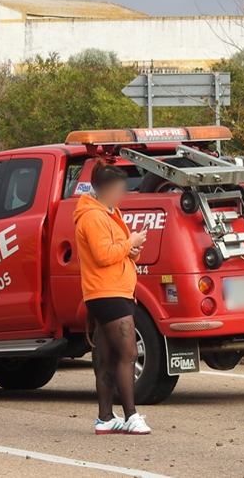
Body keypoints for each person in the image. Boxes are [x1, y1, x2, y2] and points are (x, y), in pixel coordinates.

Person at [74, 160, 151, 435]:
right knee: (128, 354)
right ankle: (131, 415)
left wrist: (132, 247)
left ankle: (105, 417)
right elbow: (104, 254)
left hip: (112, 290)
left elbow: (116, 249)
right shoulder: (93, 217)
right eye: (120, 188)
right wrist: (130, 243)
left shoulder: (109, 212)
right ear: (104, 188)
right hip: (108, 292)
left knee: (107, 357)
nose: (123, 194)